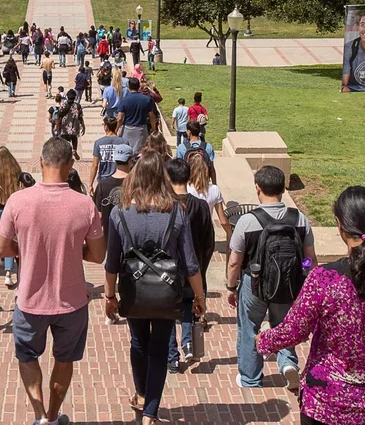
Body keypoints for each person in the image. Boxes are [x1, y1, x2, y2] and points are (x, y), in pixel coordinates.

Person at [255, 186, 365, 425]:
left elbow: (294, 329)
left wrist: (263, 340)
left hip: (325, 403)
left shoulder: (323, 278)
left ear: (339, 226)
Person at [0, 138, 106, 425]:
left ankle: (40, 416)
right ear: (70, 166)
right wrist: (71, 248)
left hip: (30, 300)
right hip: (71, 302)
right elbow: (97, 255)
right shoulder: (84, 205)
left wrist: (25, 248)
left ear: (41, 163)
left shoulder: (18, 201)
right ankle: (55, 416)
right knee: (65, 360)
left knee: (27, 356)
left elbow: (0, 249)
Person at [103, 151, 206, 425]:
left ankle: (140, 393)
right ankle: (150, 412)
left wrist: (110, 296)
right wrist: (199, 296)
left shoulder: (119, 212)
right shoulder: (177, 212)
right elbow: (191, 262)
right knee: (159, 348)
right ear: (164, 177)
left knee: (138, 343)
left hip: (133, 290)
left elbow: (111, 262)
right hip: (167, 290)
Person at [226, 166, 316, 391]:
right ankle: (288, 364)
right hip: (288, 285)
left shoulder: (247, 221)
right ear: (284, 189)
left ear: (257, 188)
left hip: (254, 284)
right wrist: (301, 272)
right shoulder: (299, 219)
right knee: (284, 325)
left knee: (249, 327)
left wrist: (230, 286)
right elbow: (310, 259)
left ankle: (250, 377)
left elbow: (235, 261)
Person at [165, 159, 214, 373]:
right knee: (188, 305)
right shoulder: (201, 206)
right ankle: (187, 343)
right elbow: (209, 242)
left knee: (167, 312)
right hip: (193, 268)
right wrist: (202, 266)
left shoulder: (164, 206)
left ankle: (172, 357)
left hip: (167, 270)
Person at [179, 122, 232, 241]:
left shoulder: (182, 148)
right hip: (206, 232)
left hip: (188, 232)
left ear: (189, 131)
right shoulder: (208, 147)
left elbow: (179, 168)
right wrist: (215, 184)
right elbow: (212, 168)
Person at [0, 146, 23, 288]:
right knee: (10, 238)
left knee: (1, 234)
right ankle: (7, 264)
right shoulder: (16, 171)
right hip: (11, 208)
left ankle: (7, 270)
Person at [89, 116, 129, 193]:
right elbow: (128, 163)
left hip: (103, 180)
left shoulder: (98, 143)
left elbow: (95, 165)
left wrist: (90, 185)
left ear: (106, 127)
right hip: (120, 180)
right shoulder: (124, 142)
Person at [117, 77, 157, 154]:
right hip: (141, 129)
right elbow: (152, 116)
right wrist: (153, 128)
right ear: (139, 86)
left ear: (128, 87)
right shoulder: (146, 99)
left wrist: (116, 130)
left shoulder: (124, 100)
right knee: (142, 152)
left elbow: (119, 118)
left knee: (127, 152)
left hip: (127, 129)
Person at [57, 89, 86, 161]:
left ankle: (64, 154)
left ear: (67, 96)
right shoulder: (78, 106)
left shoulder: (63, 105)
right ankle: (74, 150)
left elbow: (59, 115)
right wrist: (83, 126)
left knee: (63, 140)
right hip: (74, 126)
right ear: (75, 97)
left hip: (65, 126)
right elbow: (80, 117)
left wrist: (57, 125)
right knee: (74, 138)